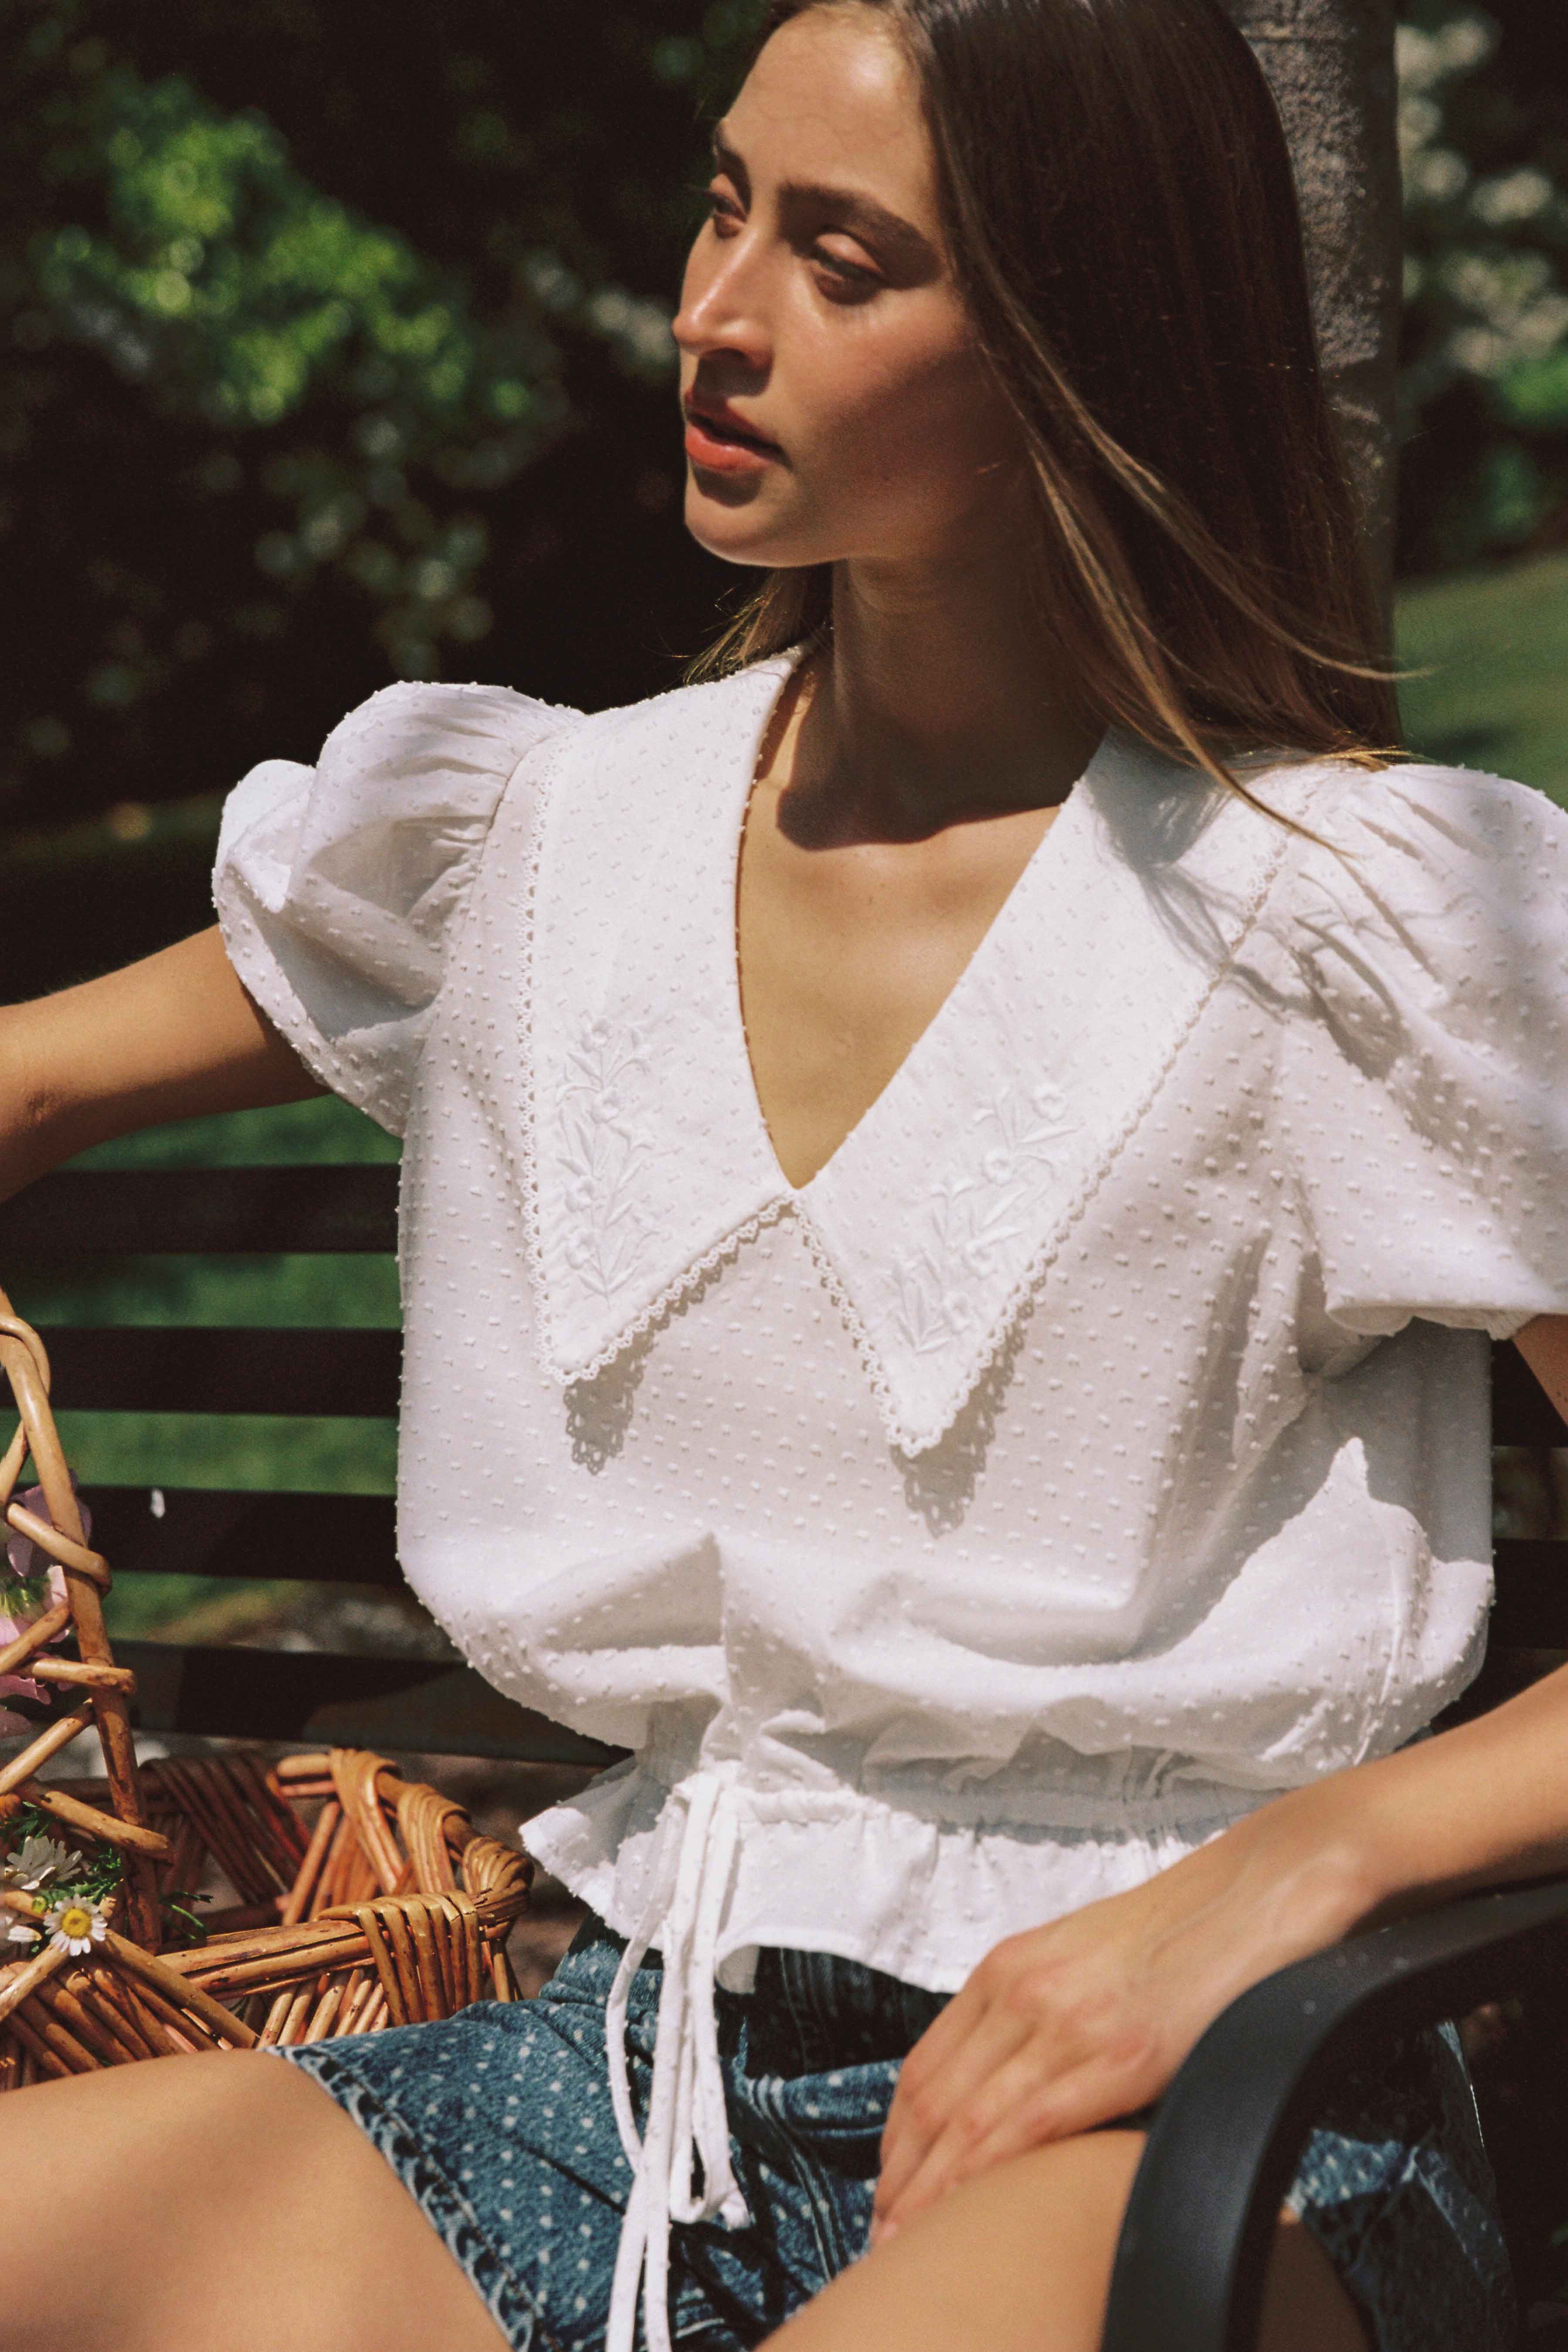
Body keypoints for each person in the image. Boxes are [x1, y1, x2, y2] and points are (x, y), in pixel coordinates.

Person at [2, 1, 1566, 2347]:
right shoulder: (526, 840)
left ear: (1083, 335)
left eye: (849, 260)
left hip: (1217, 2102)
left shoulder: (1354, 926)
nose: (715, 314)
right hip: (629, 2086)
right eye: (726, 206)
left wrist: (1282, 1875)